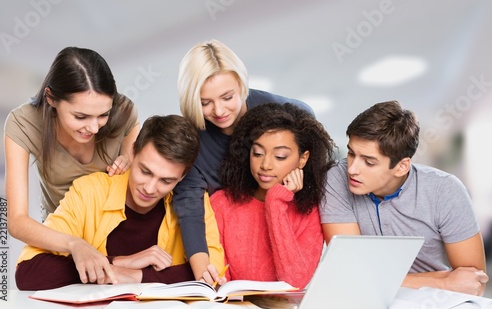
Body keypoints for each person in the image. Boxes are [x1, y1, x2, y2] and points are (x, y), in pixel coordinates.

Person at [15, 115, 225, 290]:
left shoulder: (193, 202)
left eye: (166, 180)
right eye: (145, 171)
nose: (150, 189)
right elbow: (28, 273)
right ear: (132, 152)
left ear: (182, 176)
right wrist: (117, 263)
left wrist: (135, 276)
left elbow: (210, 274)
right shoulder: (89, 191)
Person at [174, 39, 315, 281]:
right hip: (232, 244)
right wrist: (202, 267)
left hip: (284, 229)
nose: (219, 111)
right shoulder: (193, 141)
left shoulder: (279, 110)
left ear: (241, 84)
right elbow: (189, 208)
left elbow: (307, 127)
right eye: (205, 103)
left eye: (227, 97)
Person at [320, 100, 489, 296]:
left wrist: (377, 280)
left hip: (434, 301)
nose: (352, 169)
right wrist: (444, 282)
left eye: (369, 162)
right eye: (351, 153)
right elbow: (351, 271)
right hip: (368, 298)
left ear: (401, 167)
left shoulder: (446, 190)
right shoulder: (335, 177)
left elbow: (474, 283)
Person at [4, 46, 140, 285]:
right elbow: (16, 220)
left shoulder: (123, 112)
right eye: (81, 117)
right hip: (63, 239)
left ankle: (115, 263)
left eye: (103, 115)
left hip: (116, 233)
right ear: (51, 98)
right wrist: (75, 245)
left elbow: (135, 145)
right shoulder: (23, 123)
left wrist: (129, 157)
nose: (95, 128)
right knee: (31, 276)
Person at [210, 103, 335, 289]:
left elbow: (294, 282)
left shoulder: (310, 211)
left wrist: (276, 202)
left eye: (280, 156)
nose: (265, 164)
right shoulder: (222, 203)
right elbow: (220, 283)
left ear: (303, 159)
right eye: (258, 153)